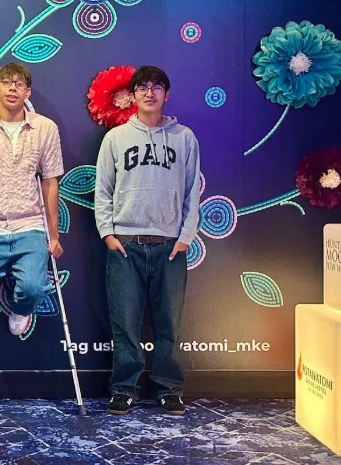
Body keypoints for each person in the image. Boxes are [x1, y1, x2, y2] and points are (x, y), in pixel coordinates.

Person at [94, 65, 201, 417]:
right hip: (125, 244)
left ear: (166, 95)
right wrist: (108, 234)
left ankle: (169, 389)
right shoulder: (116, 138)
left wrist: (185, 237)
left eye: (157, 87)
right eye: (142, 87)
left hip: (170, 246)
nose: (149, 93)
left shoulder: (184, 137)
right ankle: (124, 388)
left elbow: (193, 191)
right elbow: (103, 190)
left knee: (168, 323)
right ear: (133, 95)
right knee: (125, 322)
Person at [0, 63, 65, 337]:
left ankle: (21, 306)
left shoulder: (45, 128)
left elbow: (50, 182)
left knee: (32, 288)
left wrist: (53, 236)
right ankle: (11, 269)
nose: (12, 89)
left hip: (29, 225)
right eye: (6, 83)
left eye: (19, 84)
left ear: (28, 92)